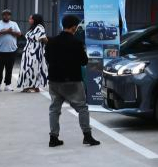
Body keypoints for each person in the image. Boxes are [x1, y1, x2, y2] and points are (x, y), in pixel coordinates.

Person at [45, 14, 100, 147]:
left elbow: (47, 58)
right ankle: (87, 136)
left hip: (54, 80)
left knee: (54, 109)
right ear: (74, 27)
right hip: (72, 81)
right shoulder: (77, 42)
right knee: (82, 108)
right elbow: (84, 61)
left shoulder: (51, 41)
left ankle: (53, 138)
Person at [0, 9, 22, 92]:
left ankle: (8, 85)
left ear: (10, 16)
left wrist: (10, 32)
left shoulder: (14, 24)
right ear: (2, 16)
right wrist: (5, 31)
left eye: (8, 15)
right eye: (4, 14)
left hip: (11, 51)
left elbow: (19, 34)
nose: (6, 16)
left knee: (9, 69)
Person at [17, 14, 49, 93]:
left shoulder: (40, 27)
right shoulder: (32, 28)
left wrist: (48, 45)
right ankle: (28, 86)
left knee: (34, 68)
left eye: (30, 19)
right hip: (28, 52)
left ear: (35, 20)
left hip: (35, 52)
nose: (29, 20)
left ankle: (35, 87)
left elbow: (44, 38)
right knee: (26, 69)